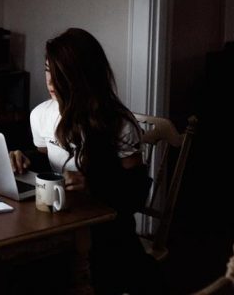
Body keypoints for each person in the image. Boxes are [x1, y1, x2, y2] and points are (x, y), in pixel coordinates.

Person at [9, 28, 162, 294]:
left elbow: (136, 193)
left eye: (61, 73)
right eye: (48, 70)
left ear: (83, 75)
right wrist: (24, 159)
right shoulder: (40, 115)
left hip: (105, 233)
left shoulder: (119, 125)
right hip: (58, 223)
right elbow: (48, 161)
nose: (51, 81)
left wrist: (92, 184)